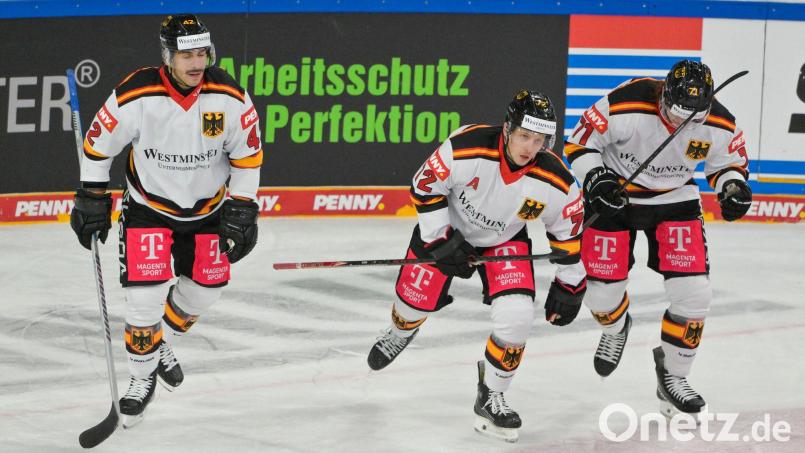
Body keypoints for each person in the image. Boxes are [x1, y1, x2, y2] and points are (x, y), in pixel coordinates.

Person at [69, 14, 263, 427]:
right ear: (167, 56)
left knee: (206, 291)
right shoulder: (136, 94)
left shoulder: (230, 96)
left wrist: (243, 206)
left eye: (201, 53)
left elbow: (247, 158)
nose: (196, 63)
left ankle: (161, 343)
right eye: (186, 55)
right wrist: (91, 197)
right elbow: (97, 147)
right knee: (143, 302)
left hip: (209, 211)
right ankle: (141, 381)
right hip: (147, 211)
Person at [367, 90, 587, 443]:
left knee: (516, 318)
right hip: (448, 227)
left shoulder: (556, 179)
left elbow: (569, 232)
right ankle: (401, 330)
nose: (530, 147)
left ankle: (492, 395)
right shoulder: (467, 147)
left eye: (540, 139)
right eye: (524, 136)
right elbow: (424, 187)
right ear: (508, 129)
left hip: (505, 241)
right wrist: (441, 239)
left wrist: (571, 283)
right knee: (412, 302)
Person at [563, 60, 751, 418]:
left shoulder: (720, 121)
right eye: (675, 113)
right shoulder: (625, 102)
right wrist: (597, 177)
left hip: (675, 199)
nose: (680, 124)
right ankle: (617, 325)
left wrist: (732, 186)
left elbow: (728, 163)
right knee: (601, 296)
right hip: (616, 195)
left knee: (695, 294)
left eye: (691, 118)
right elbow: (579, 145)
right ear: (663, 94)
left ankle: (674, 376)